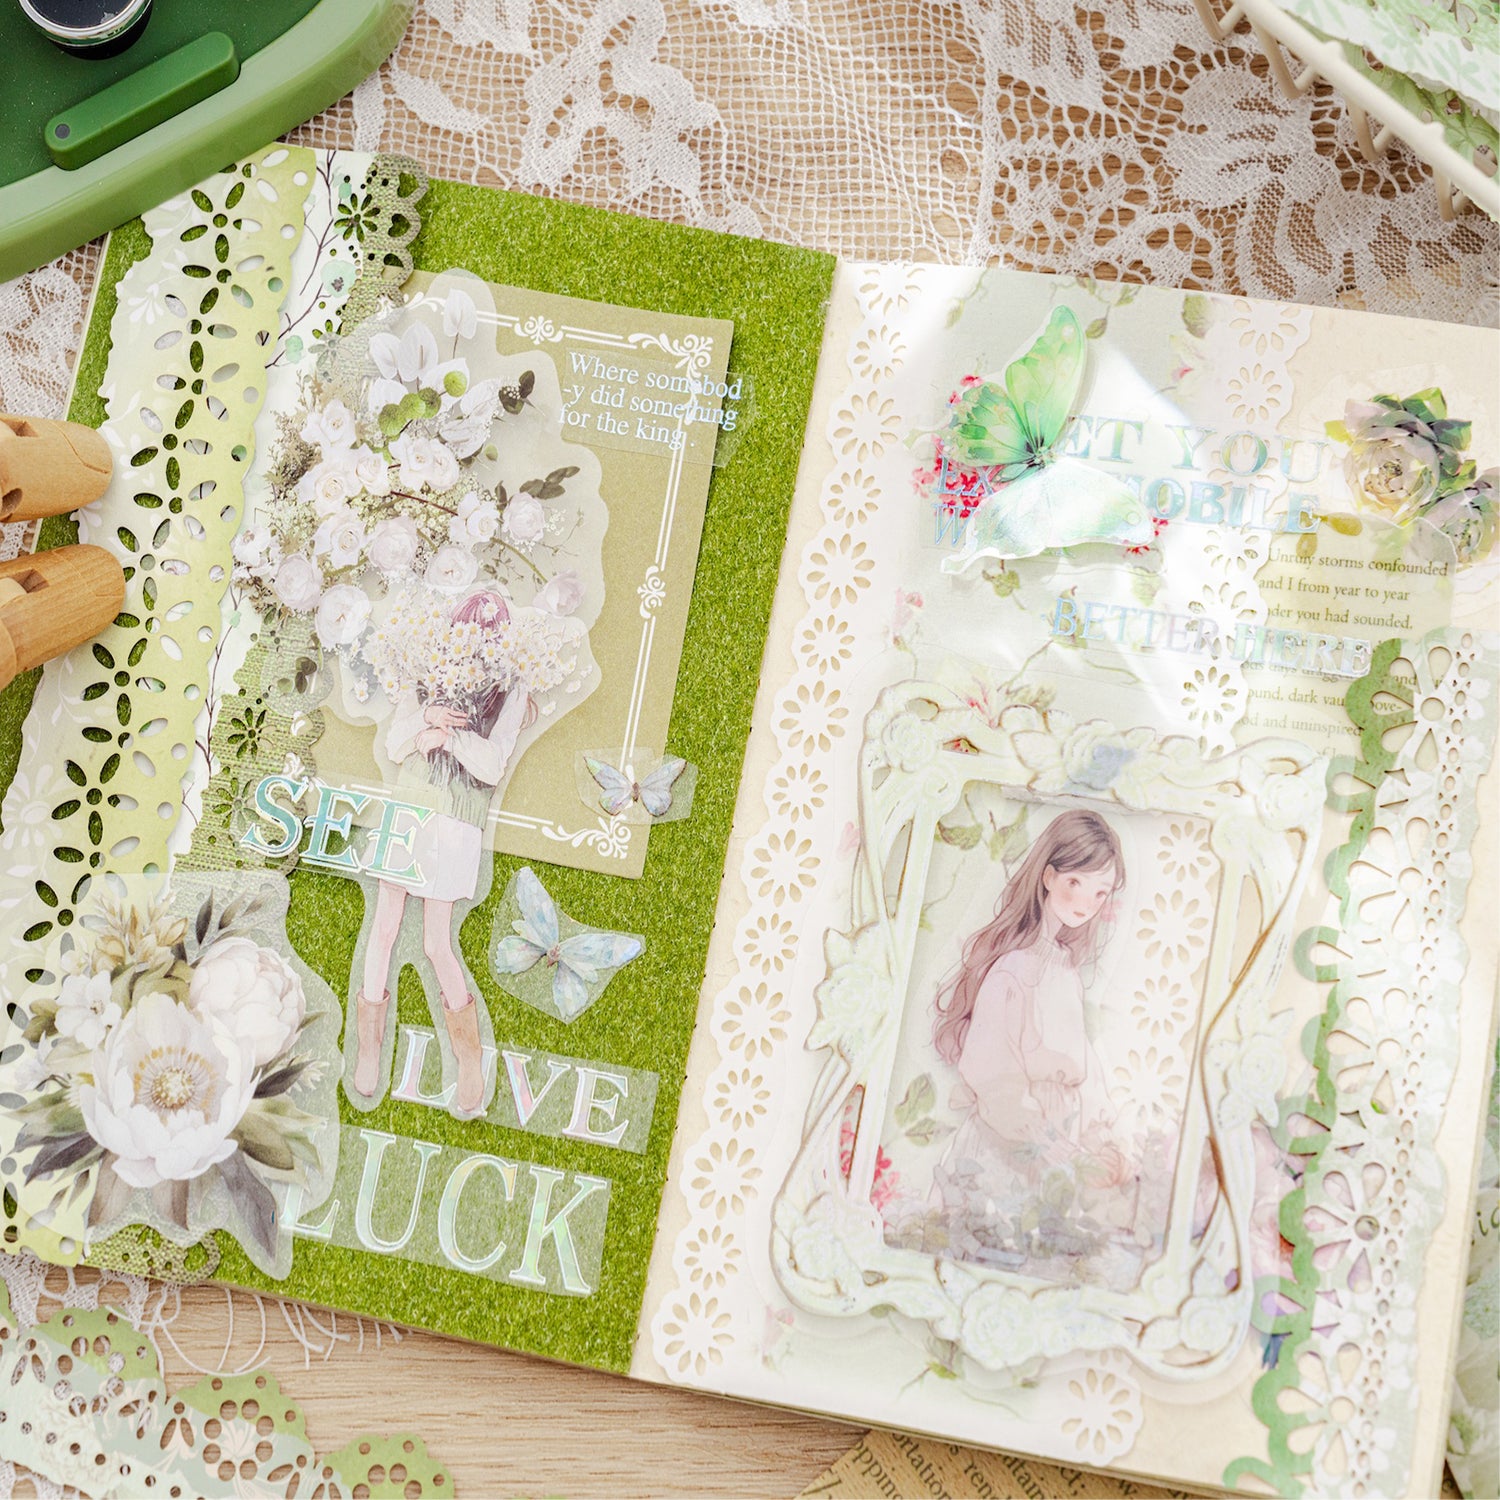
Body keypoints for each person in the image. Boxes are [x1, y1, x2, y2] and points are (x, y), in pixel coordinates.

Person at [352, 587, 535, 1115]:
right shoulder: (427, 667)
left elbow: (493, 765)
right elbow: (396, 743)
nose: (475, 643)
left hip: (457, 821)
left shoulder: (511, 687)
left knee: (437, 943)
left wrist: (450, 740)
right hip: (411, 805)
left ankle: (469, 1060)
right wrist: (428, 720)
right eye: (468, 630)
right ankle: (368, 1047)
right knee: (384, 927)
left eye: (488, 635)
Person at [930, 808, 1130, 1265]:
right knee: (994, 1253)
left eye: (1100, 893)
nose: (1086, 902)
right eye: (1076, 882)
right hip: (1008, 1147)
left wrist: (1105, 1142)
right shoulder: (1013, 969)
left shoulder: (1066, 973)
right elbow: (994, 1075)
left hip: (1056, 1150)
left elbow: (1087, 1073)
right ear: (1048, 876)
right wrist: (1049, 1143)